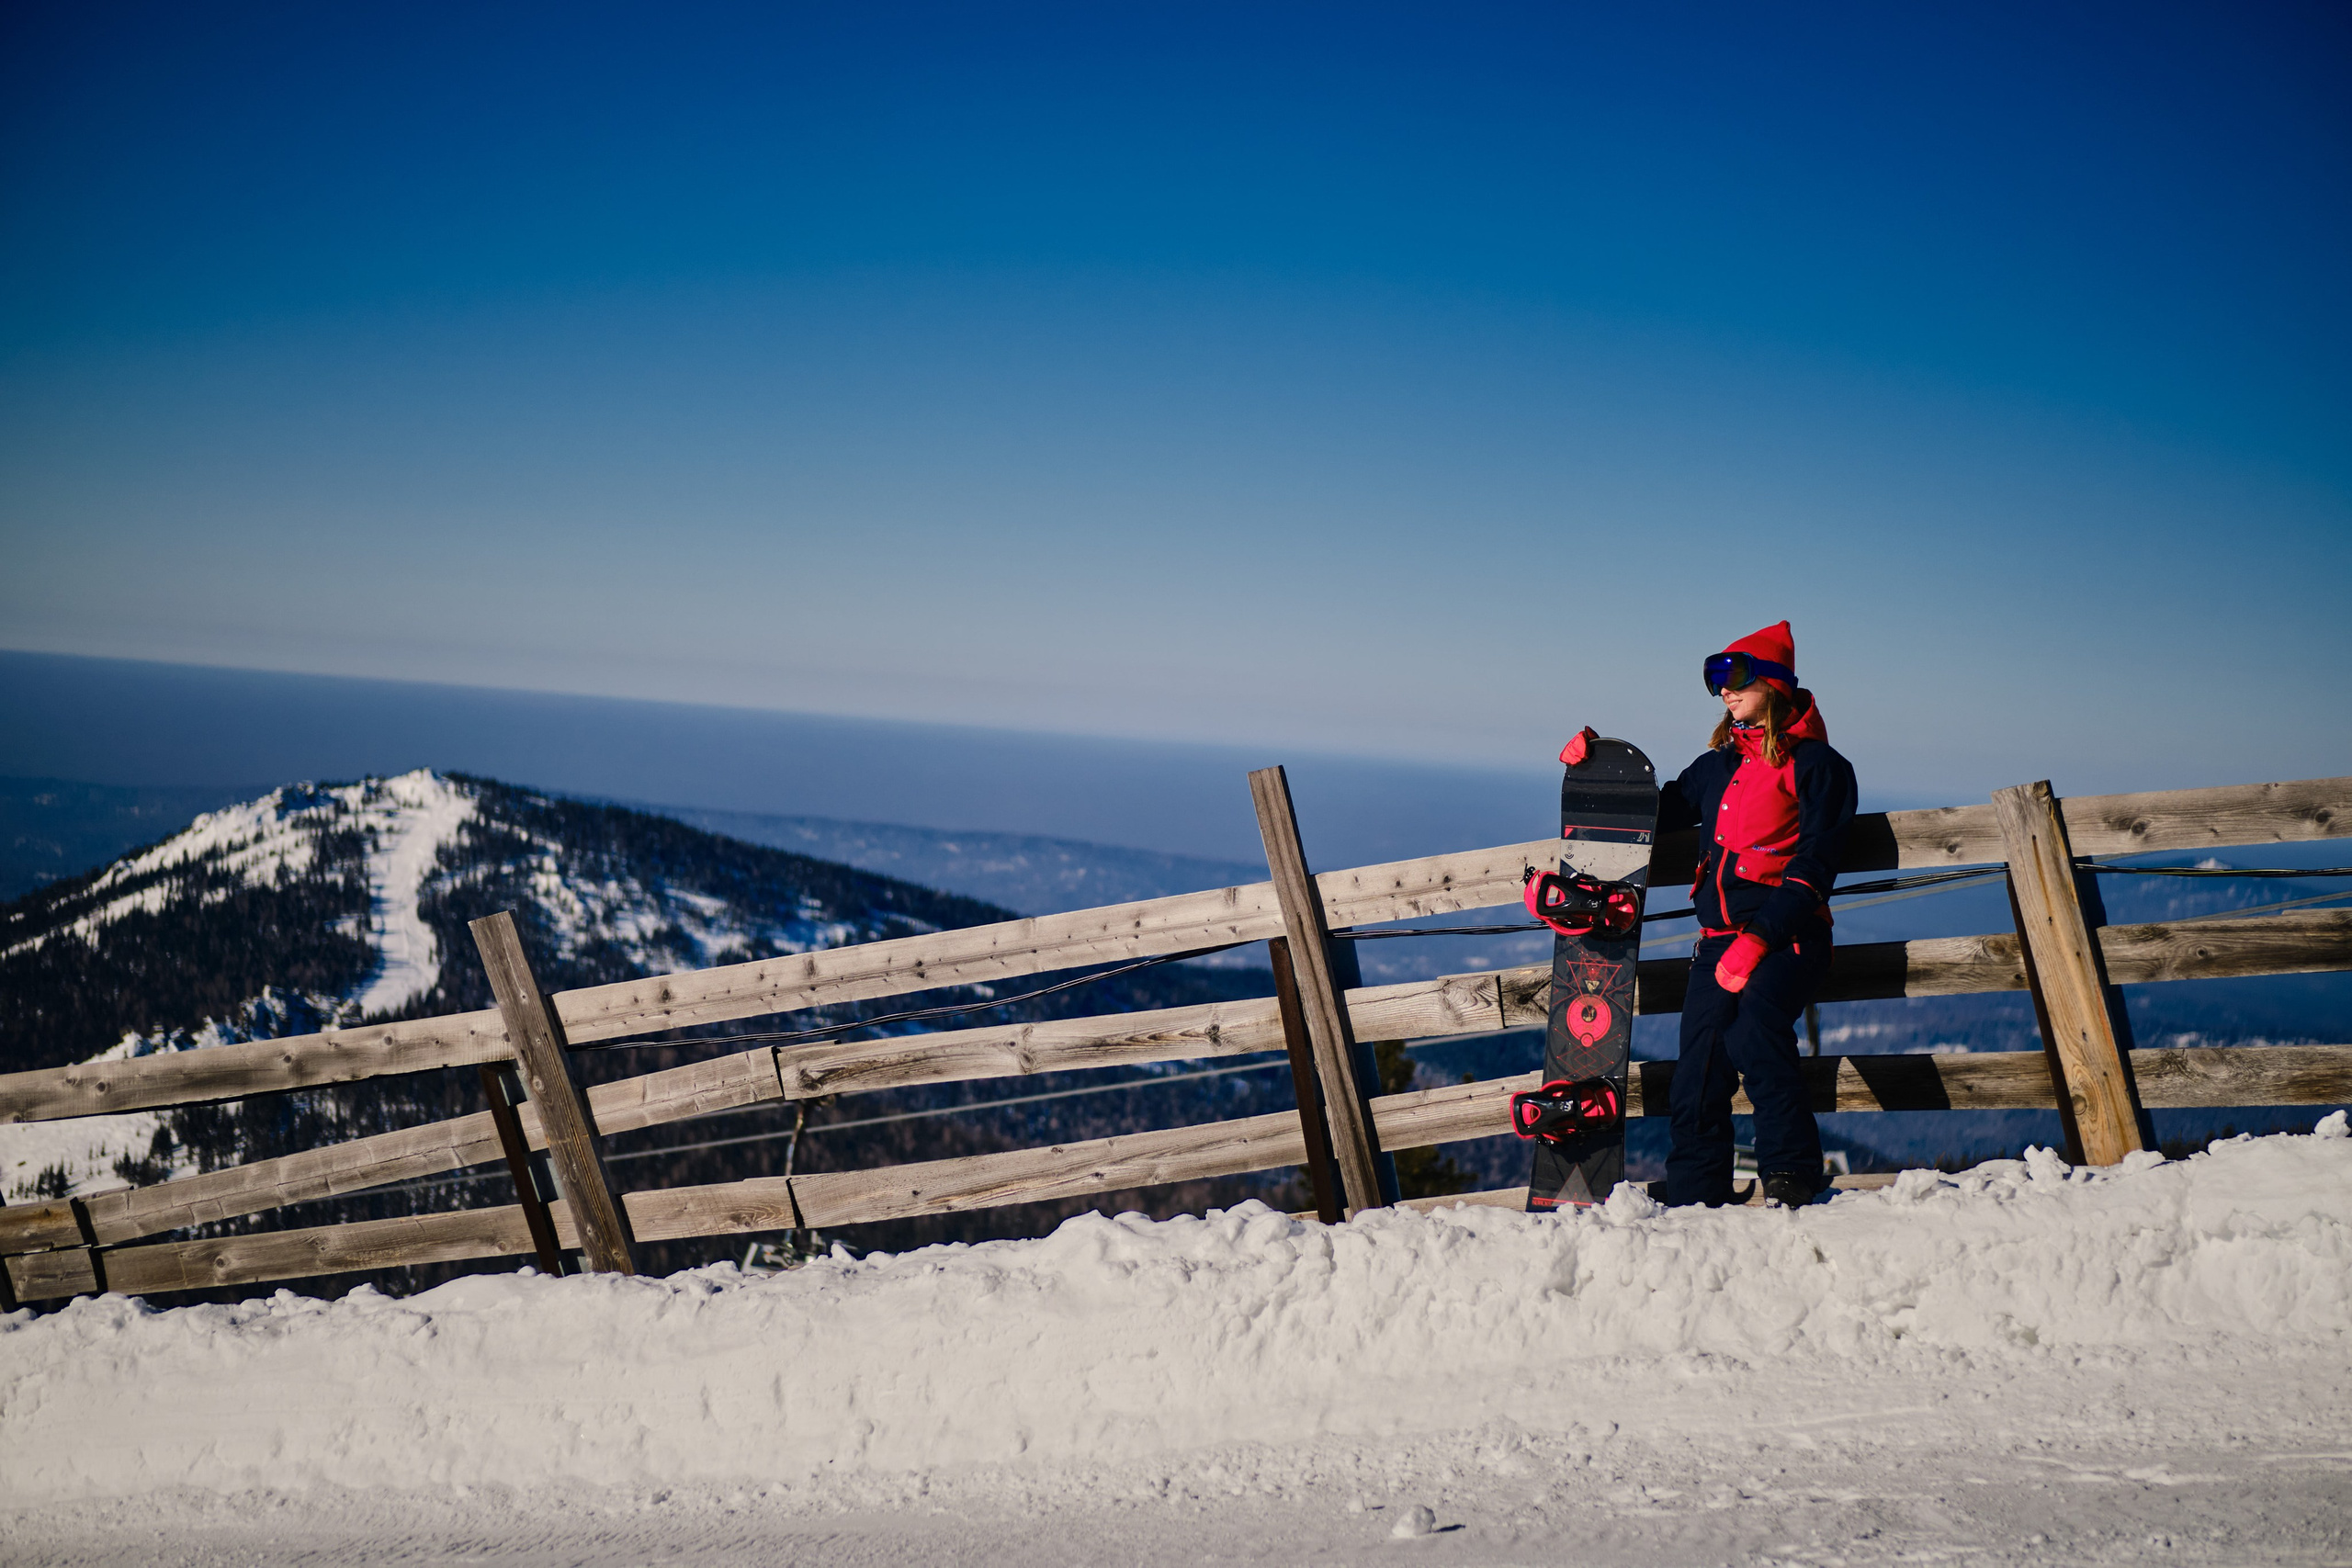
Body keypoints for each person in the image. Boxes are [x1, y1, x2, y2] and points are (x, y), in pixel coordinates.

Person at [1650, 620, 1856, 1209]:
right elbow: (1659, 810)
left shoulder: (1819, 766)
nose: (1724, 690)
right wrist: (1597, 768)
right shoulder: (1717, 765)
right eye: (1715, 679)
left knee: (1754, 1029)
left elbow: (1815, 865)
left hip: (1788, 937)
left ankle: (1791, 1172)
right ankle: (1696, 1190)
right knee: (1699, 1063)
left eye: (1736, 677)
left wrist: (1760, 938)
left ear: (1774, 683)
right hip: (1718, 938)